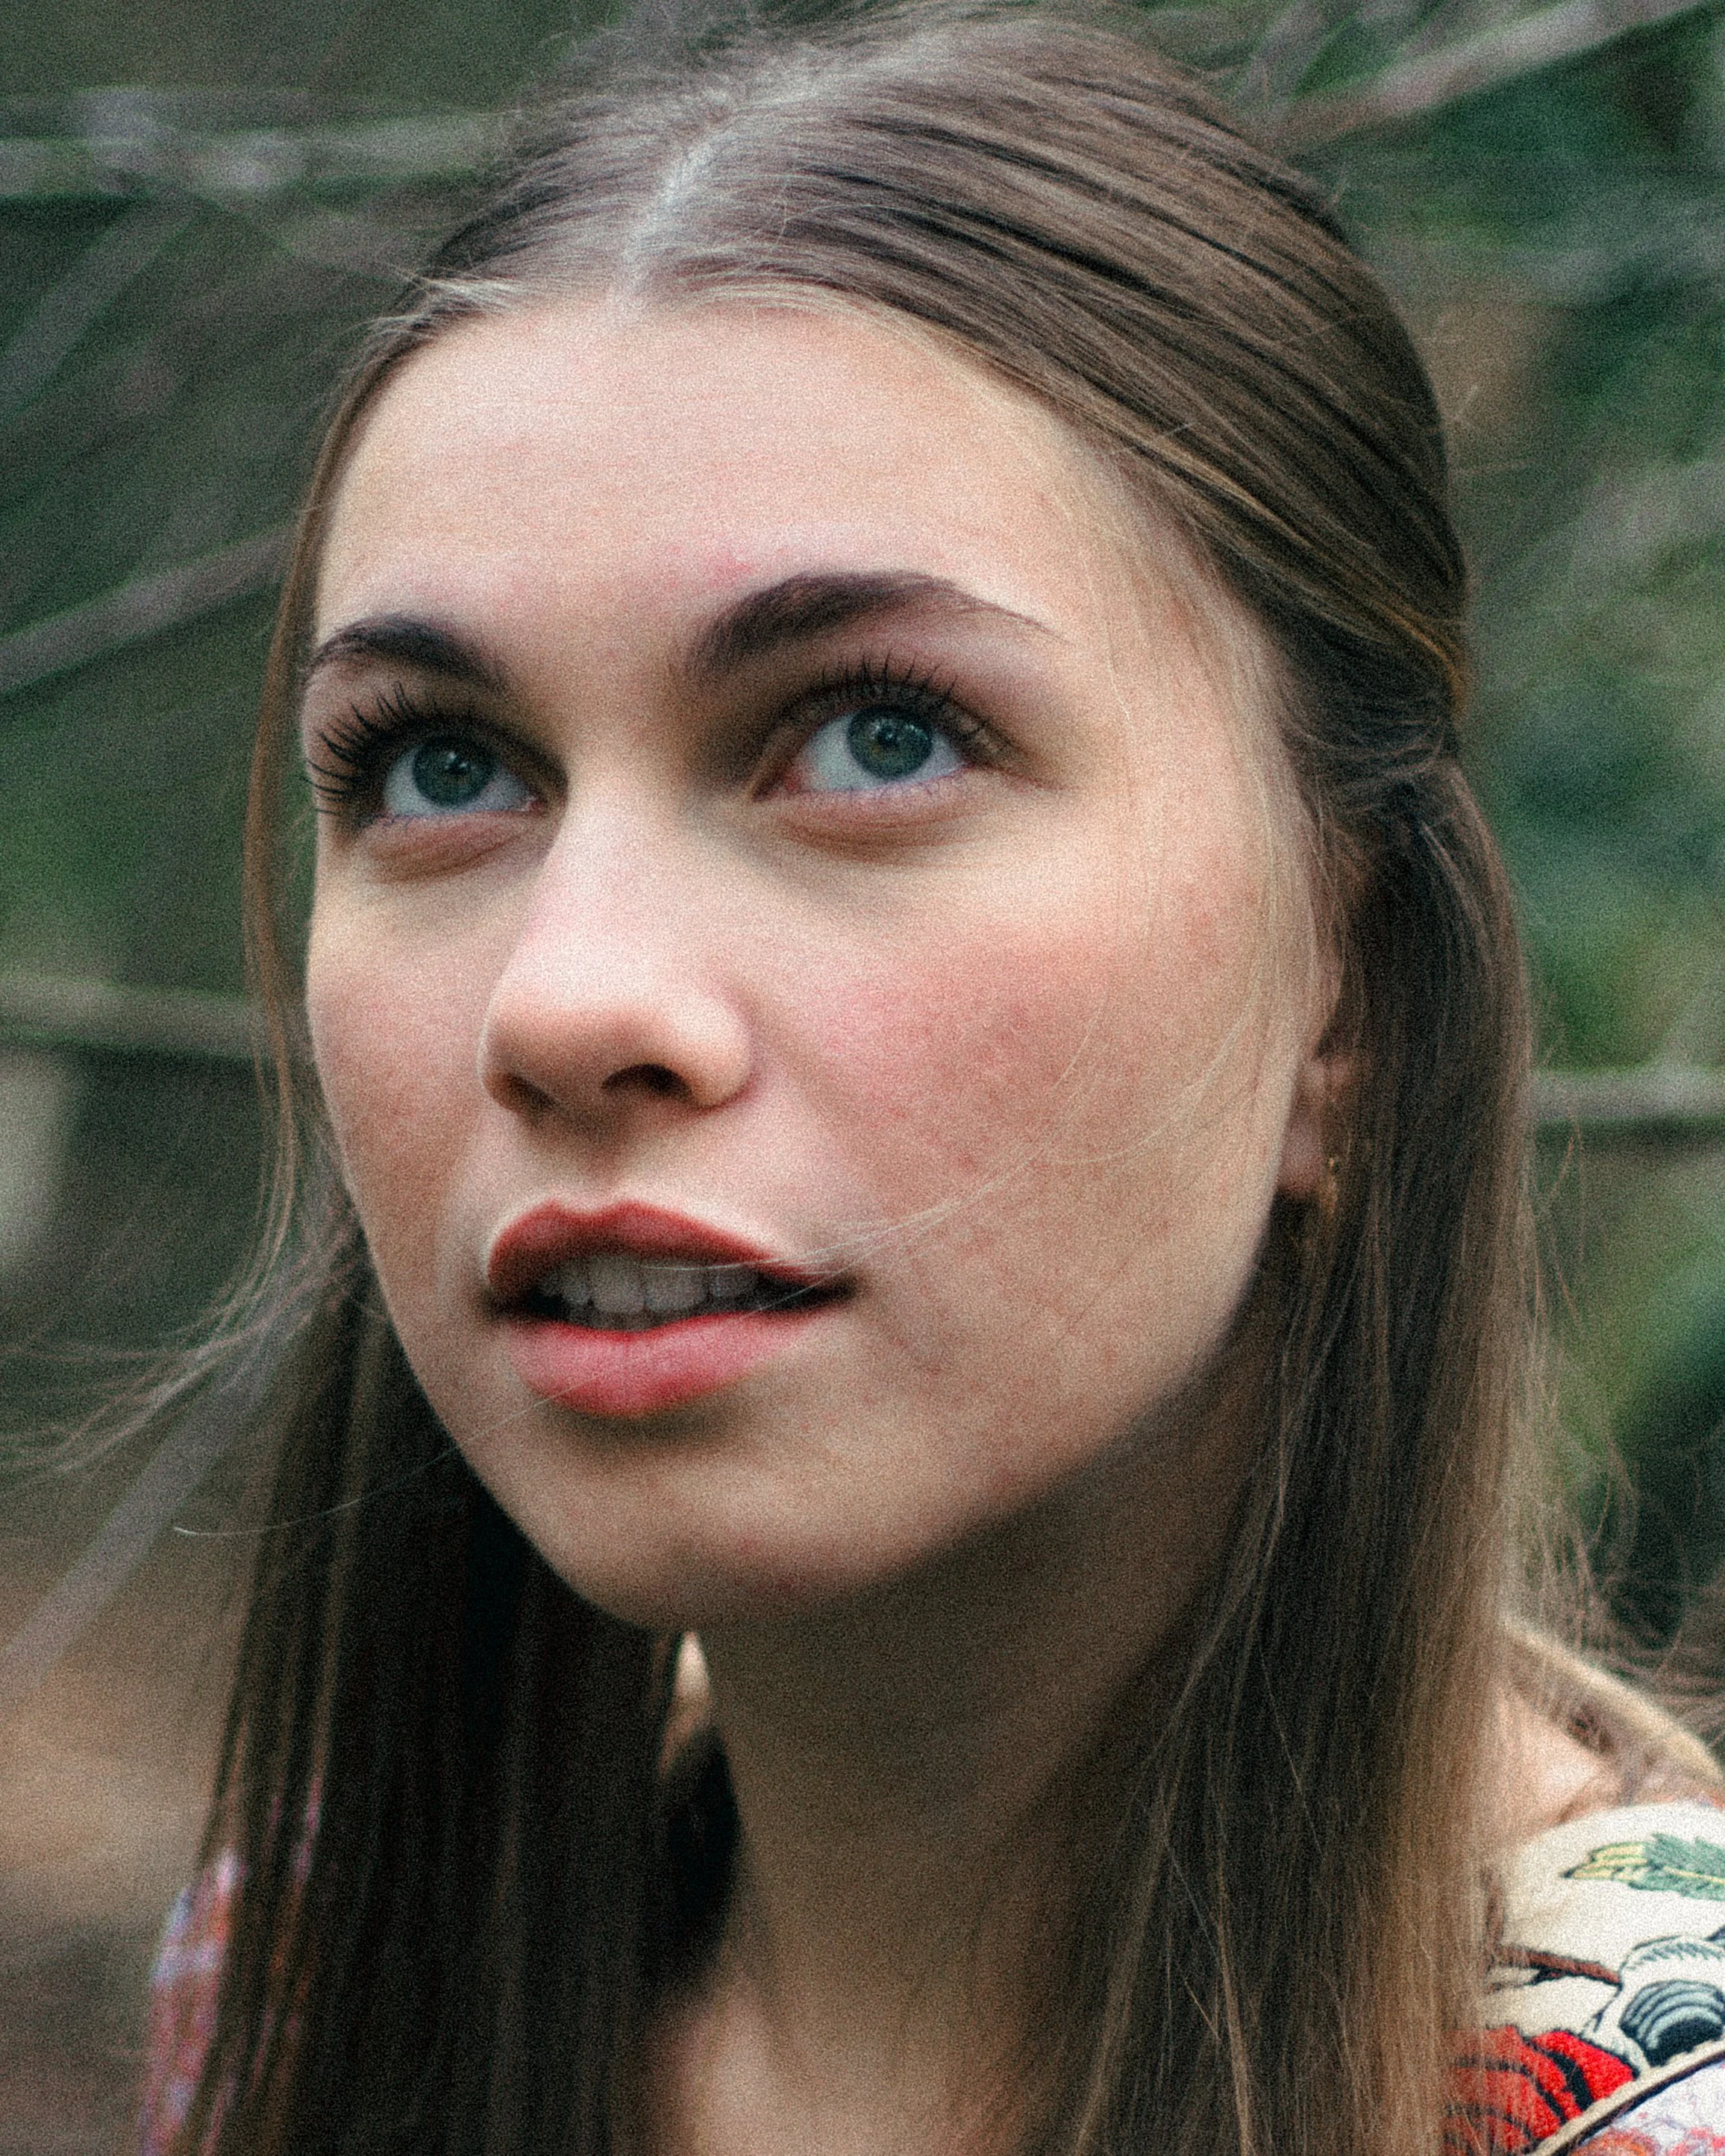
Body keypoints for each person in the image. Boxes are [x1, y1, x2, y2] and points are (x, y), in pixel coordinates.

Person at [134, 6, 1725, 2152]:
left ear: (1345, 986)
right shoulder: (304, 1975)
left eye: (878, 735)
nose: (567, 1002)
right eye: (442, 766)